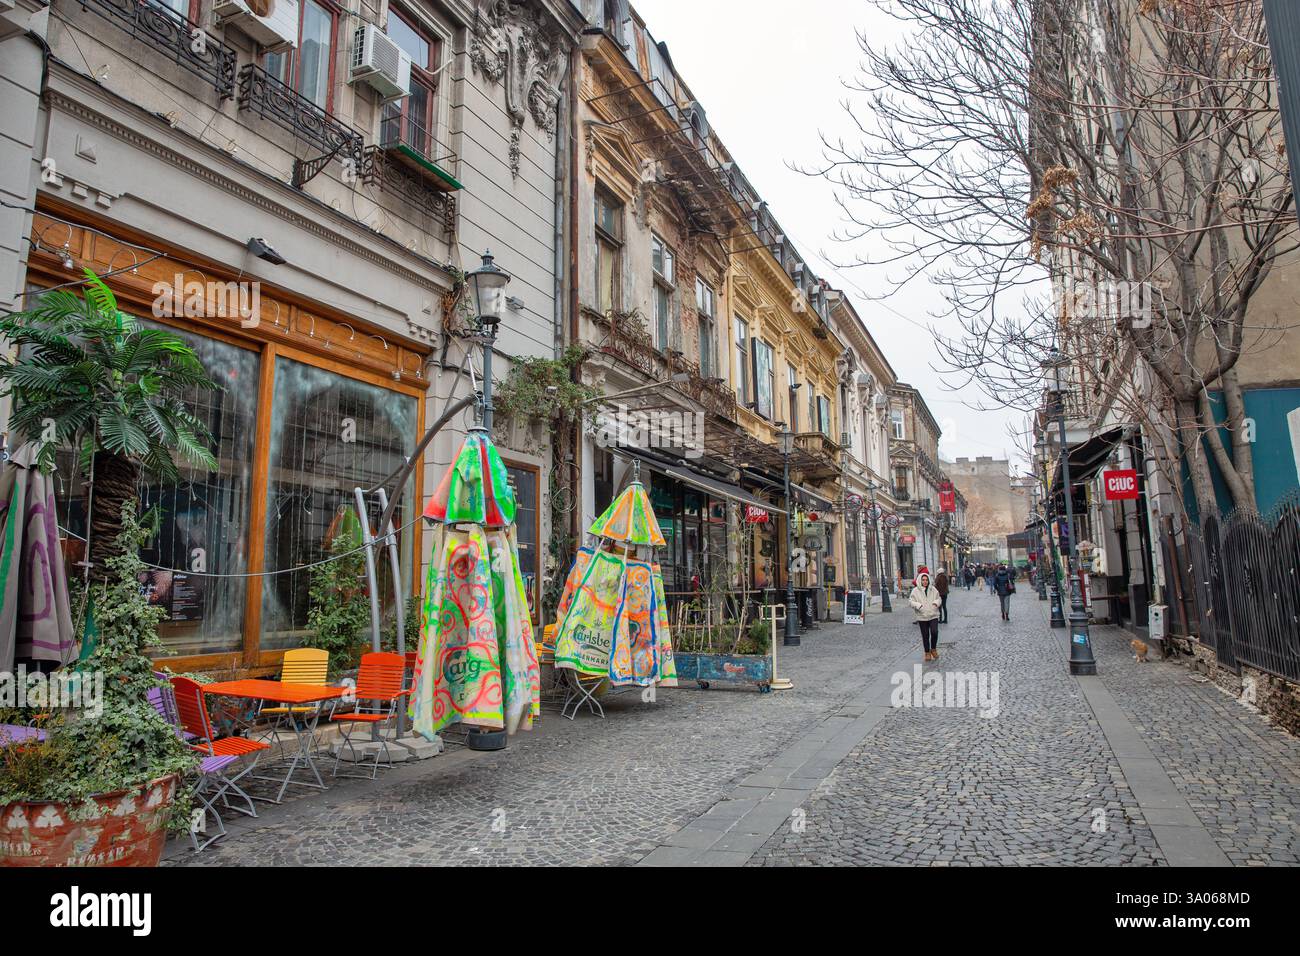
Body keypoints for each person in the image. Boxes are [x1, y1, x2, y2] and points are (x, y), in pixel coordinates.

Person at [909, 567, 943, 661]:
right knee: (925, 635)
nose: (925, 581)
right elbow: (911, 601)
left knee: (934, 632)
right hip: (922, 616)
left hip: (933, 614)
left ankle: (933, 648)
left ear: (928, 580)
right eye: (923, 580)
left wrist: (936, 603)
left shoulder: (933, 589)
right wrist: (918, 606)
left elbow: (939, 598)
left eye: (926, 580)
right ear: (920, 580)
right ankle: (927, 652)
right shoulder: (915, 591)